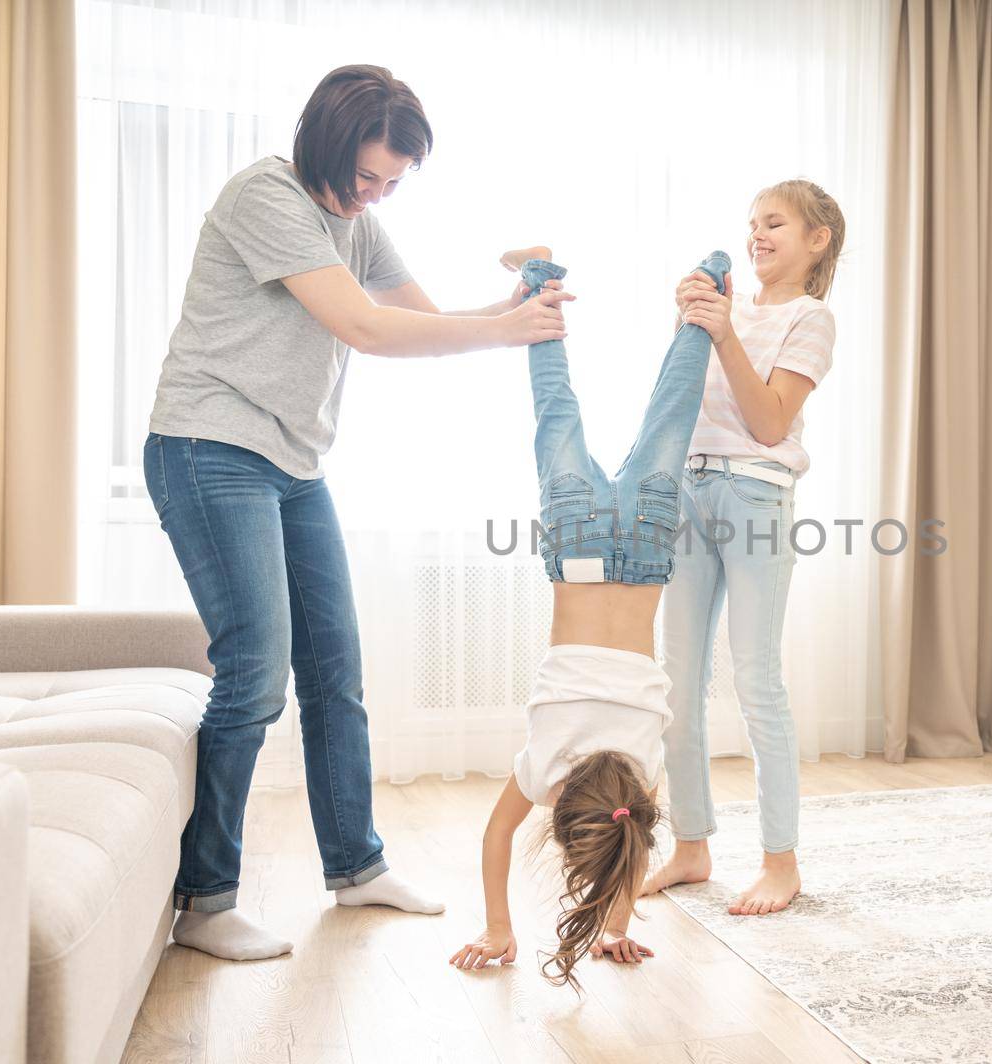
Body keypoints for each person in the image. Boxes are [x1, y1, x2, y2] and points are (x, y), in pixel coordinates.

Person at [143, 64, 570, 962]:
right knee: (256, 671)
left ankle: (356, 866)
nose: (372, 195)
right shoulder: (269, 195)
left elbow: (425, 319)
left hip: (291, 463)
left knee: (335, 669)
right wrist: (504, 328)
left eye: (390, 184)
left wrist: (518, 308)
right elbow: (366, 330)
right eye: (364, 176)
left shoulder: (355, 222)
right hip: (209, 446)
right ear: (324, 145)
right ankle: (206, 898)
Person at [450, 247, 731, 988]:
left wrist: (612, 925)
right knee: (556, 411)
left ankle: (707, 291)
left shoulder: (642, 777)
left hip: (641, 549)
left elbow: (627, 844)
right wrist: (500, 925)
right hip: (576, 550)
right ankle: (542, 282)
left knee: (672, 409)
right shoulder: (546, 772)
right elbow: (496, 834)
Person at [644, 180, 844, 915]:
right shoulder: (730, 310)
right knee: (679, 681)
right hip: (690, 488)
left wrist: (723, 332)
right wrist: (693, 325)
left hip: (755, 493)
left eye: (775, 224)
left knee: (756, 678)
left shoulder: (811, 319)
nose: (758, 234)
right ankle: (691, 848)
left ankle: (780, 864)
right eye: (753, 223)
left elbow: (767, 424)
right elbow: (680, 397)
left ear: (816, 239)